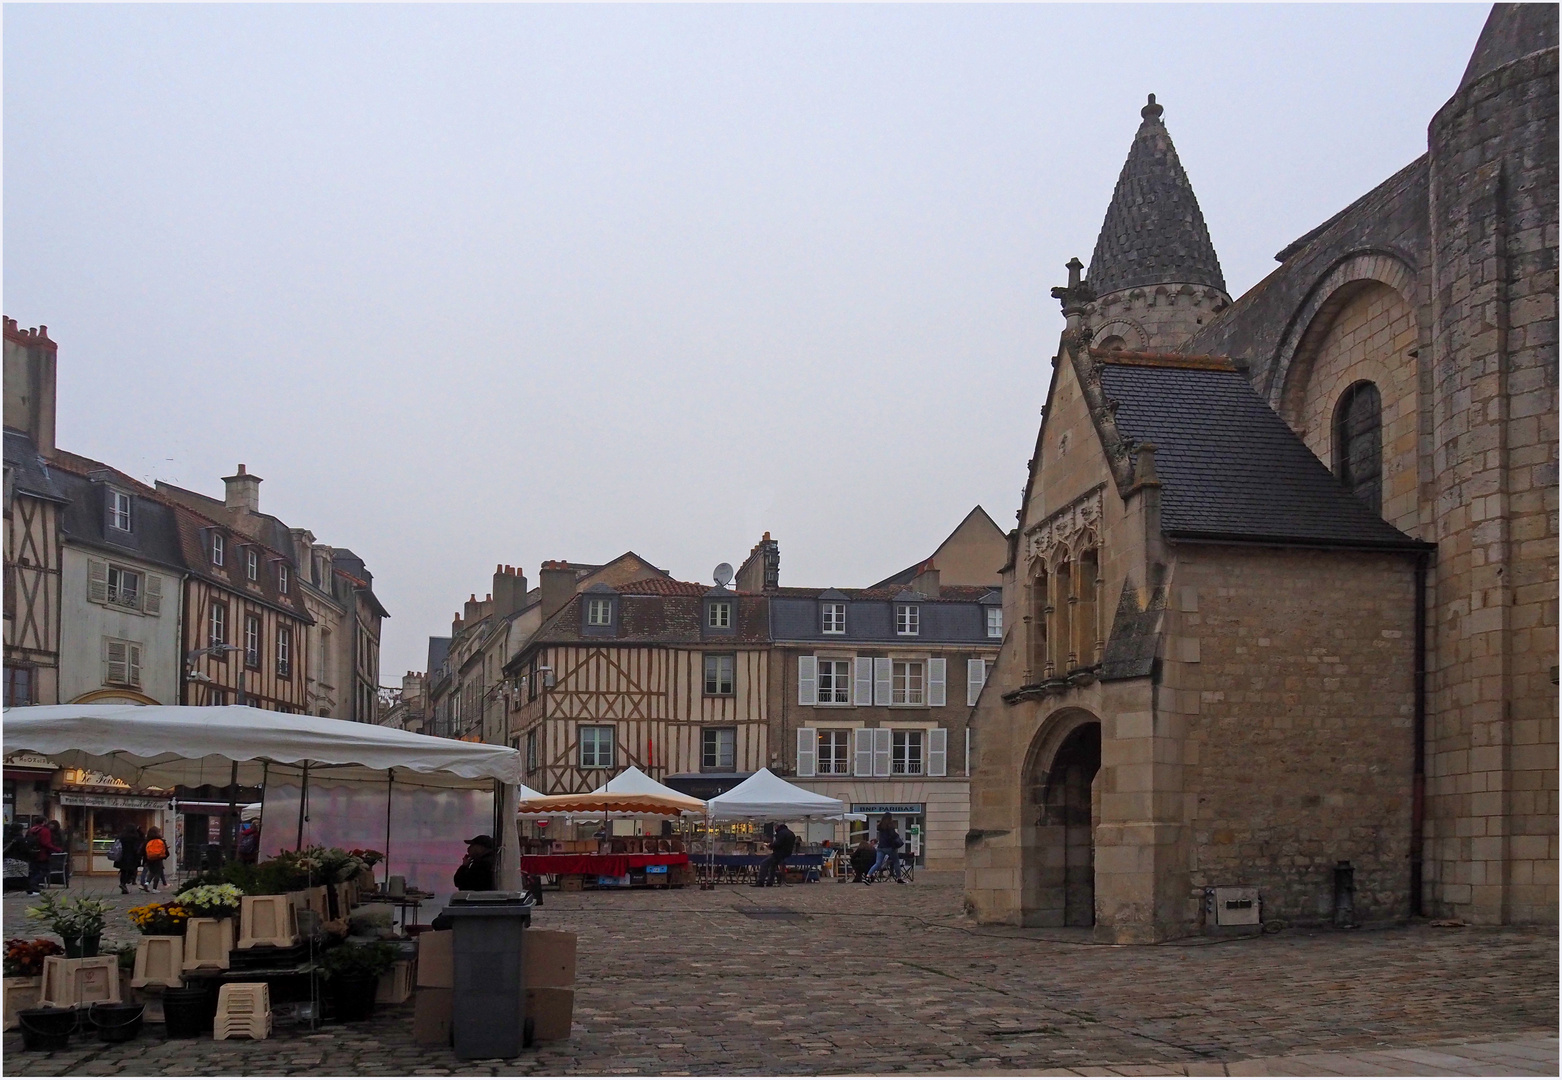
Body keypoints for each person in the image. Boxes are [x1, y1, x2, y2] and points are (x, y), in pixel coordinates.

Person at [22, 819, 59, 895]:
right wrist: (57, 849)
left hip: (32, 854)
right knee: (45, 871)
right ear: (44, 822)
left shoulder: (31, 830)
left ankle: (32, 889)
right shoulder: (45, 831)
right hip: (43, 854)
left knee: (34, 871)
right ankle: (32, 884)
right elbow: (46, 843)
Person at [755, 823, 797, 888]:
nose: (775, 830)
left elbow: (778, 844)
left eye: (775, 828)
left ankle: (760, 881)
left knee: (764, 863)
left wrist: (770, 845)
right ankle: (770, 882)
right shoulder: (791, 833)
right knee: (773, 865)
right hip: (787, 853)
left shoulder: (781, 833)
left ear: (777, 827)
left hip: (779, 854)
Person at [867, 815, 905, 884]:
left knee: (878, 863)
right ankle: (899, 878)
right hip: (890, 847)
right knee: (896, 862)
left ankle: (868, 875)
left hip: (881, 847)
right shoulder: (890, 827)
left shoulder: (880, 827)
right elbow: (893, 836)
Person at [115, 824, 145, 894]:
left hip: (122, 856)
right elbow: (141, 840)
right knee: (132, 870)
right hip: (132, 856)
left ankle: (123, 883)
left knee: (123, 871)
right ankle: (127, 881)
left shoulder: (121, 836)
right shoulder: (134, 837)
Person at [142, 827, 169, 892]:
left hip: (150, 859)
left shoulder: (147, 841)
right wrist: (165, 856)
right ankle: (154, 888)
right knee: (158, 873)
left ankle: (146, 883)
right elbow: (166, 850)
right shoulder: (161, 840)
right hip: (158, 859)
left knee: (152, 872)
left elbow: (142, 850)